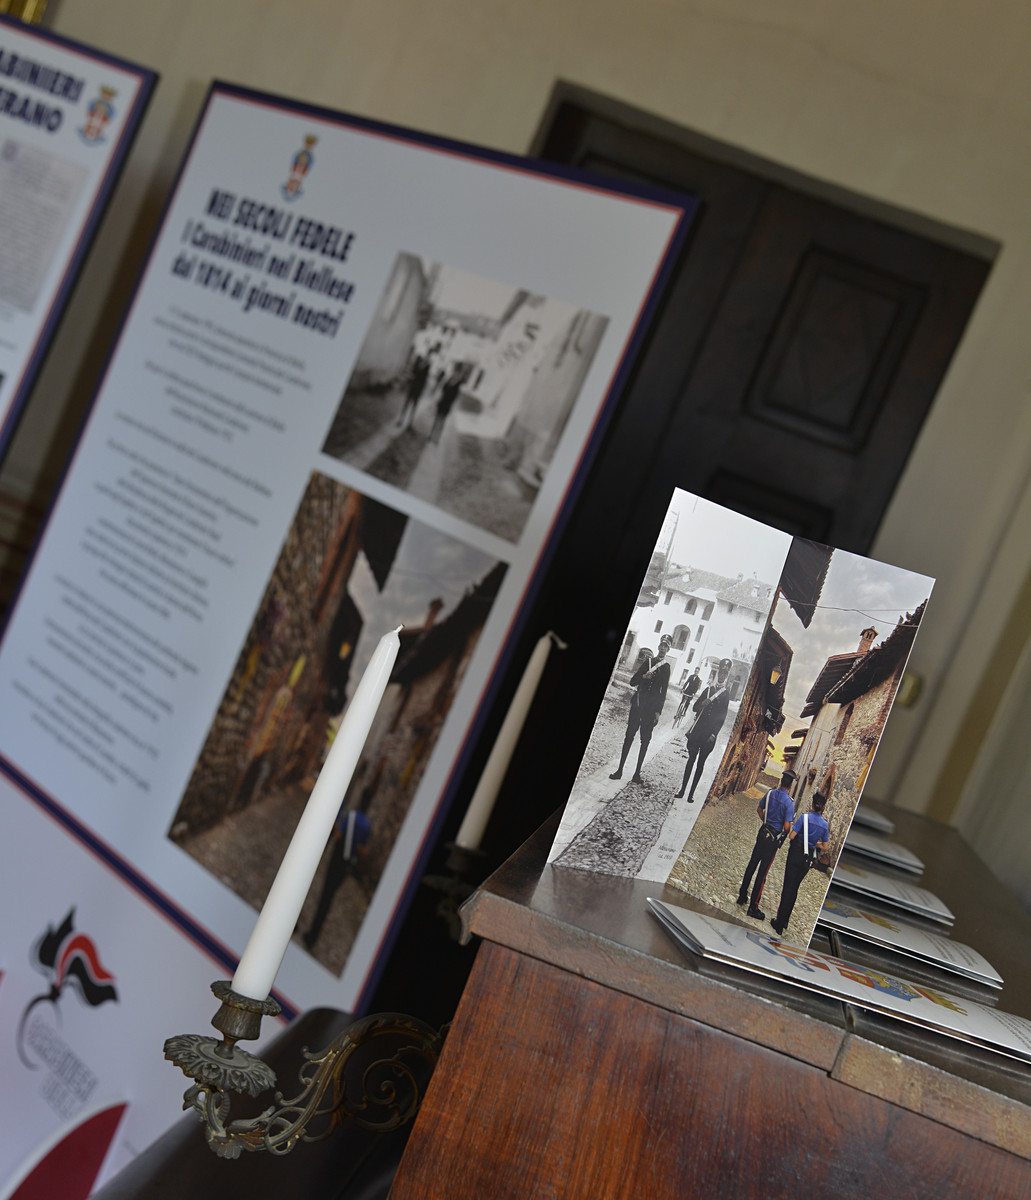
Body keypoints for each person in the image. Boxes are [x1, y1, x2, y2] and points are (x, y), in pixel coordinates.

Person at [303, 804, 372, 950]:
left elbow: (338, 835)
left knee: (325, 893)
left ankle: (310, 934)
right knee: (330, 896)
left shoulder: (351, 816)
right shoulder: (367, 825)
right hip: (347, 865)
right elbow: (363, 850)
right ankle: (315, 935)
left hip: (337, 858)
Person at [610, 634, 673, 784]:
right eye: (661, 645)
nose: (663, 648)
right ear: (658, 646)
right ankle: (619, 770)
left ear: (668, 649)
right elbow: (633, 681)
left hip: (650, 710)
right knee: (629, 737)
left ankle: (637, 774)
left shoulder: (666, 668)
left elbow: (663, 692)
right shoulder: (648, 662)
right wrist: (643, 677)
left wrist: (658, 712)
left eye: (666, 646)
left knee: (645, 741)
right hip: (638, 705)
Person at [736, 768, 796, 920]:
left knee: (752, 864)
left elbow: (759, 809)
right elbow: (788, 827)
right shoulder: (789, 803)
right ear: (790, 785)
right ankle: (753, 907)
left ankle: (742, 896)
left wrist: (766, 822)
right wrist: (780, 830)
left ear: (781, 781)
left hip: (763, 832)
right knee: (762, 873)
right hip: (773, 839)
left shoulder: (770, 793)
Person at [771, 792, 830, 936]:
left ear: (812, 804)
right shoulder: (824, 825)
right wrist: (814, 843)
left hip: (796, 853)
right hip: (808, 857)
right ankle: (785, 921)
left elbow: (792, 836)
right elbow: (825, 846)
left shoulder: (804, 818)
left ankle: (779, 924)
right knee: (795, 888)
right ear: (823, 807)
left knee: (788, 887)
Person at [675, 658, 732, 802]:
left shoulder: (725, 695)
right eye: (720, 673)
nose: (721, 676)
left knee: (700, 764)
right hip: (698, 732)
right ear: (717, 673)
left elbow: (722, 717)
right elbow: (694, 708)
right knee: (690, 761)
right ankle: (682, 790)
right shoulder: (708, 690)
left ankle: (691, 794)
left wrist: (714, 734)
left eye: (725, 674)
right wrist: (702, 704)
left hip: (709, 735)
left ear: (727, 676)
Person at [429, 363, 465, 443]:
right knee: (436, 419)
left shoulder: (457, 385)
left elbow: (455, 397)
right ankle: (431, 435)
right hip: (442, 402)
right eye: (455, 372)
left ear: (459, 374)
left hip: (447, 405)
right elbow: (442, 389)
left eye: (457, 373)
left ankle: (437, 437)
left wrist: (451, 404)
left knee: (442, 421)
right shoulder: (449, 380)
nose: (456, 374)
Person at [397, 352, 431, 429]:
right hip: (413, 387)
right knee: (406, 404)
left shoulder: (428, 367)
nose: (427, 357)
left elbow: (424, 380)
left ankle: (410, 423)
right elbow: (413, 372)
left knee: (414, 406)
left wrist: (421, 390)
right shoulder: (418, 363)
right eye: (427, 356)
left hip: (418, 389)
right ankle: (401, 419)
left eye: (428, 357)